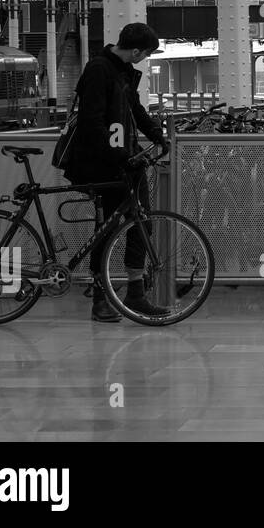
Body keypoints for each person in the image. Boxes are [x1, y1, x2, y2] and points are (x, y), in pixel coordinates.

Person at [63, 23, 169, 322]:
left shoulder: (122, 72)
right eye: (146, 54)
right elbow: (92, 122)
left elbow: (135, 110)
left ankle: (135, 294)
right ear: (135, 51)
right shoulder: (99, 70)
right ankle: (100, 299)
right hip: (104, 165)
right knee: (107, 230)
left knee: (142, 223)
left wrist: (156, 134)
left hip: (127, 162)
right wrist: (119, 154)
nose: (145, 59)